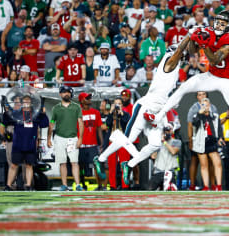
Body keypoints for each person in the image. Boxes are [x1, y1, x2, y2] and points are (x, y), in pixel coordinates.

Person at [153, 11, 229, 155]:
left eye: (223, 23)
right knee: (184, 87)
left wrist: (204, 44)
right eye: (217, 21)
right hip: (211, 76)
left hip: (227, 80)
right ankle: (159, 115)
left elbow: (215, 60)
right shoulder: (208, 31)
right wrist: (195, 38)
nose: (218, 25)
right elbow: (193, 51)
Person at [94, 37, 191, 181]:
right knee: (129, 138)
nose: (183, 58)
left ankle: (130, 164)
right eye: (182, 56)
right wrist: (188, 36)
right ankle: (101, 159)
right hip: (146, 105)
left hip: (157, 109)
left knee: (155, 144)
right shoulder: (169, 62)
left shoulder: (175, 68)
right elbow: (178, 53)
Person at [3, 94, 49, 191]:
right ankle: (8, 185)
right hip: (17, 144)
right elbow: (6, 121)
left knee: (29, 165)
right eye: (25, 101)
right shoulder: (16, 114)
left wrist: (44, 113)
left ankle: (28, 185)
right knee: (13, 165)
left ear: (31, 103)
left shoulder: (36, 114)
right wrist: (6, 109)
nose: (26, 103)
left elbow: (45, 124)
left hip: (30, 144)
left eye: (28, 101)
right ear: (22, 103)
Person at [47, 85, 85, 191]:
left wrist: (80, 138)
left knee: (74, 162)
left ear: (71, 93)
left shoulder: (76, 107)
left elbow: (81, 123)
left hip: (73, 138)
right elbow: (52, 123)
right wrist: (49, 138)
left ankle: (78, 185)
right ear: (60, 94)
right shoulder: (56, 108)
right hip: (59, 138)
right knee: (62, 162)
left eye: (68, 92)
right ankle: (64, 185)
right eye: (64, 92)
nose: (66, 94)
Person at [191, 97, 223, 191]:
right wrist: (200, 113)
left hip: (212, 141)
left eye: (207, 104)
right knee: (204, 165)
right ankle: (206, 185)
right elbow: (195, 124)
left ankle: (219, 185)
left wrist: (220, 138)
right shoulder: (197, 116)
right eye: (203, 104)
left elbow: (219, 128)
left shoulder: (215, 116)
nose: (206, 107)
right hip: (201, 142)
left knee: (217, 163)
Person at [78, 92, 103, 190]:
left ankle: (100, 185)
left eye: (89, 98)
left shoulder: (96, 112)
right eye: (87, 98)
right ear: (82, 100)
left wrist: (101, 144)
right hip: (81, 145)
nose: (89, 99)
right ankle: (82, 184)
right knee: (81, 166)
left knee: (97, 165)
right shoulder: (78, 112)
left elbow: (99, 128)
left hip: (93, 144)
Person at [148, 123, 181, 191]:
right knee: (150, 190)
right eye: (165, 130)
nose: (167, 132)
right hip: (158, 172)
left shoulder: (176, 142)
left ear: (172, 131)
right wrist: (159, 142)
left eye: (169, 130)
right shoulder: (157, 142)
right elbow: (153, 156)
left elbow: (173, 151)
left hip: (170, 172)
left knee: (170, 190)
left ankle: (169, 185)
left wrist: (165, 142)